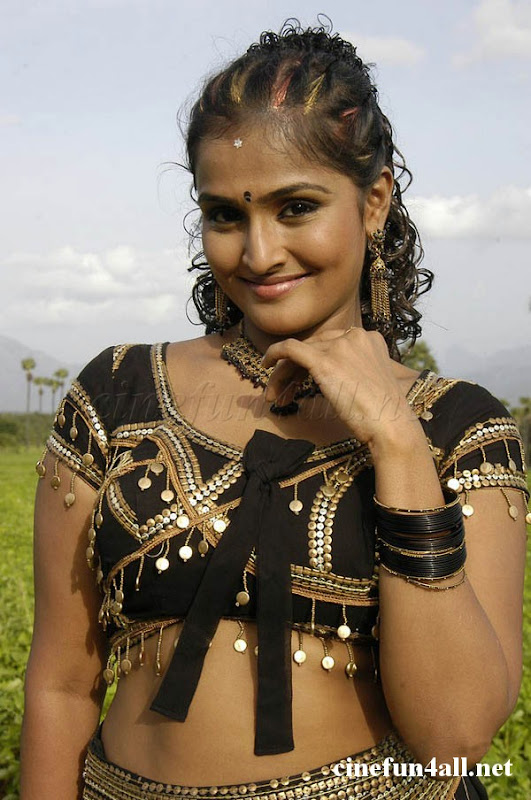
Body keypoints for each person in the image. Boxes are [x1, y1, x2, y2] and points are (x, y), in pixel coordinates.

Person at [20, 20, 530, 800]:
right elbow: (60, 687)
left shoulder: (458, 429)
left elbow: (455, 737)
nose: (258, 255)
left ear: (373, 202)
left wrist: (395, 441)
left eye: (295, 207)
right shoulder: (118, 393)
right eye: (225, 215)